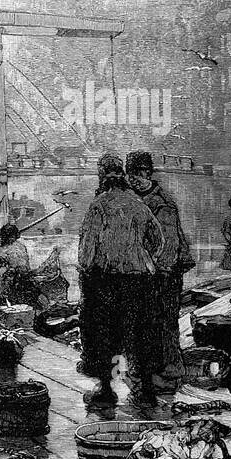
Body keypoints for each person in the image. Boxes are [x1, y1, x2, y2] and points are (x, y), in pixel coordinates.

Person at [77, 155, 163, 410]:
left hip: (107, 280)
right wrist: (143, 257)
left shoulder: (99, 205)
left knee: (105, 334)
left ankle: (106, 389)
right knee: (139, 334)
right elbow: (158, 240)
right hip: (139, 280)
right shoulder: (138, 204)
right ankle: (146, 390)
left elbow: (87, 249)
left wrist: (87, 270)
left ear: (103, 176)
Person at [127, 151, 194, 388]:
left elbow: (170, 244)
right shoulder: (134, 199)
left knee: (165, 321)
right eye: (132, 173)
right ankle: (147, 368)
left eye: (140, 172)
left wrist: (157, 272)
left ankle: (171, 369)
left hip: (165, 273)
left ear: (149, 173)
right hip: (146, 271)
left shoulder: (162, 203)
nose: (135, 178)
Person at [0, 222, 36, 305]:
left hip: (18, 278)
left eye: (11, 237)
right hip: (7, 278)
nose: (10, 239)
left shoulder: (18, 247)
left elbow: (22, 266)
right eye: (7, 237)